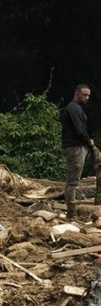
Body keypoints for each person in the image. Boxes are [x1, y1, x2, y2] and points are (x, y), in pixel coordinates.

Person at [61, 84, 94, 218]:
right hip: (75, 147)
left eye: (88, 95)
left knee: (98, 162)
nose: (87, 98)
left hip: (79, 146)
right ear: (76, 93)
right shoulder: (73, 108)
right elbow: (80, 130)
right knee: (73, 181)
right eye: (84, 95)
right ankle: (71, 212)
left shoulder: (77, 108)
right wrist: (89, 141)